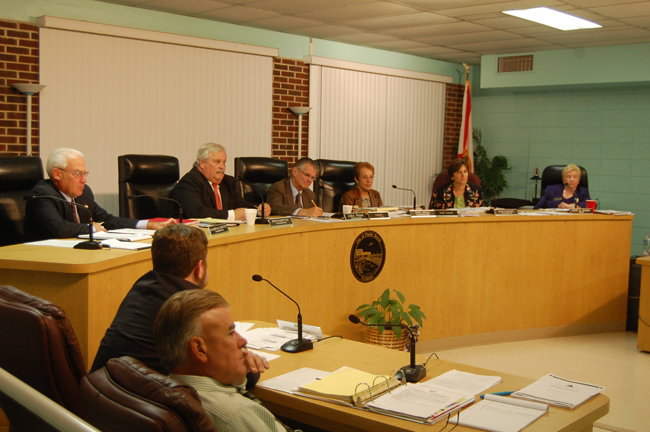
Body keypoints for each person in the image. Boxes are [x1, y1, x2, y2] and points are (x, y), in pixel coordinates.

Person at [91, 224, 268, 388]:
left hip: (105, 398)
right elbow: (242, 374)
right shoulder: (187, 307)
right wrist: (243, 360)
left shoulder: (141, 286)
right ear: (199, 268)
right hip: (156, 407)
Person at [153, 289, 290, 432]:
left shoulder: (168, 390)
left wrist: (237, 375)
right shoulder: (234, 415)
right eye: (231, 333)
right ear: (200, 349)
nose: (243, 341)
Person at [24, 148, 174, 242]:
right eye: (77, 174)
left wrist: (148, 225)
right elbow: (58, 228)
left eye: (84, 173)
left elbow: (107, 220)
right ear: (57, 174)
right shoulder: (42, 194)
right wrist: (92, 228)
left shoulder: (83, 192)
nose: (84, 180)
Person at [174, 143, 271, 221]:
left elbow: (241, 205)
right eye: (217, 162)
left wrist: (259, 209)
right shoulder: (190, 181)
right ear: (202, 163)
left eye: (224, 162)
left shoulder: (228, 181)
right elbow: (197, 212)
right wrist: (232, 215)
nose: (222, 166)